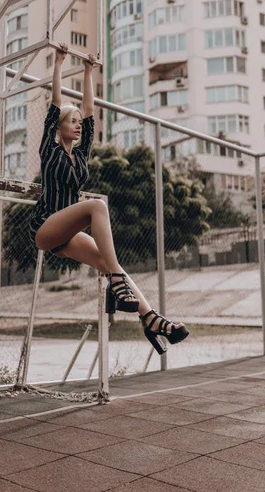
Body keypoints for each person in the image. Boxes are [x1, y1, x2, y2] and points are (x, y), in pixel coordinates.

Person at [29, 43, 189, 354]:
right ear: (59, 127)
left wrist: (89, 72)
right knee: (97, 207)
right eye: (71, 121)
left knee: (108, 260)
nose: (78, 125)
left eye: (78, 122)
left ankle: (150, 318)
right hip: (45, 226)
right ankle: (117, 282)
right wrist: (59, 64)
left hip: (67, 234)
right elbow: (56, 102)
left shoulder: (80, 156)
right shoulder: (49, 149)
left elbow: (90, 114)